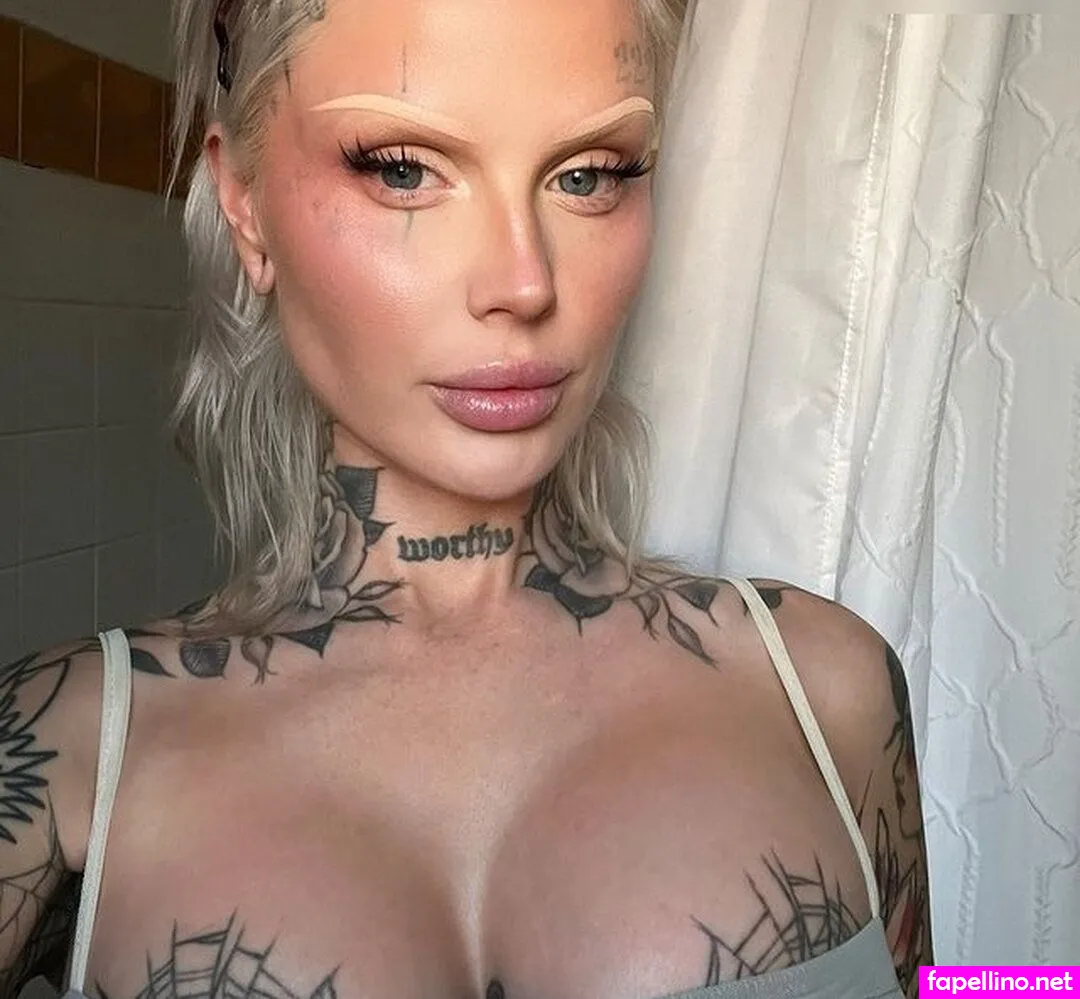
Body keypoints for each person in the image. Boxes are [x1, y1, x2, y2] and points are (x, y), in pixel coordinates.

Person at [0, 0, 933, 996]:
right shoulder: (62, 755)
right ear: (245, 204)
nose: (524, 283)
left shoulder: (826, 688)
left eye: (589, 175)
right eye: (405, 169)